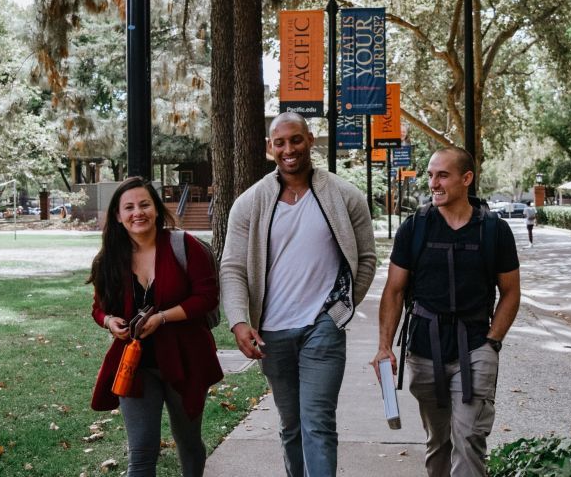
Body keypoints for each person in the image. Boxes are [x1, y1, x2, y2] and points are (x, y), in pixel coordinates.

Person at [220, 112, 377, 477]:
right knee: (291, 425)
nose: (289, 149)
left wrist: (339, 313)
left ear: (310, 140)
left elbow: (366, 260)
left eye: (296, 140)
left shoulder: (345, 196)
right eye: (281, 142)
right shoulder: (250, 202)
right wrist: (240, 321)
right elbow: (233, 267)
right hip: (271, 334)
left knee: (318, 423)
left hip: (322, 329)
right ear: (269, 148)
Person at [373, 146, 521, 477]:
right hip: (425, 351)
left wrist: (492, 342)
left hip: (476, 348)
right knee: (438, 442)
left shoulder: (493, 230)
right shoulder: (415, 228)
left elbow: (510, 292)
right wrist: (385, 347)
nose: (434, 183)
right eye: (430, 175)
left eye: (443, 175)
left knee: (468, 438)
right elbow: (394, 290)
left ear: (466, 178)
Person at [88, 177, 223, 476]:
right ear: (118, 215)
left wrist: (162, 317)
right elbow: (99, 309)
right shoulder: (109, 259)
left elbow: (207, 297)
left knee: (188, 442)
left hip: (185, 360)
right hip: (135, 365)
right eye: (129, 207)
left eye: (145, 204)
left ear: (157, 210)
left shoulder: (185, 246)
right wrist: (110, 322)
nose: (138, 212)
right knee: (141, 453)